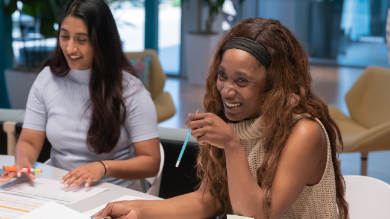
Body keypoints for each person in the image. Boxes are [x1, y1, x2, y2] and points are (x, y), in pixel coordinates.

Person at [92, 18, 349, 219]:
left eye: (242, 81)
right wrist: (136, 209)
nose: (226, 90)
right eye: (223, 76)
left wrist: (232, 145)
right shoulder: (236, 118)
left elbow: (259, 214)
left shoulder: (303, 132)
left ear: (274, 86)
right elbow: (207, 200)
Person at [0, 0, 160, 191]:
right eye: (64, 37)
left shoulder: (131, 90)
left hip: (114, 192)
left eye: (81, 40)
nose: (70, 48)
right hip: (60, 189)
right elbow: (29, 140)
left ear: (102, 42)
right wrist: (23, 163)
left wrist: (103, 167)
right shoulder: (46, 80)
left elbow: (151, 162)